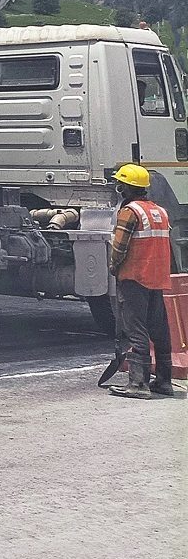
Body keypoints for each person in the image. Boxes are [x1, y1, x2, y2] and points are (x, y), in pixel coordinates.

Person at [106, 163, 177, 399]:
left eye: (120, 183)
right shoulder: (160, 212)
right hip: (156, 278)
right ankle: (164, 382)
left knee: (136, 330)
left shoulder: (130, 212)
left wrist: (114, 267)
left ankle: (138, 384)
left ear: (124, 187)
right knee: (159, 330)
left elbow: (119, 247)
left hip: (135, 277)